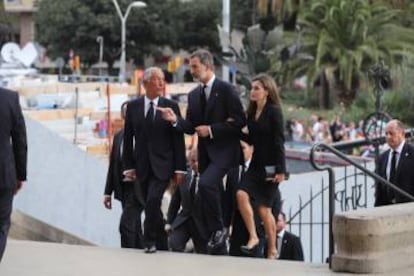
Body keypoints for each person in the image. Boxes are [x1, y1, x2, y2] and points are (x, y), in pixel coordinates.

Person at [157, 49, 246, 253]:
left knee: (206, 183)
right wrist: (175, 120)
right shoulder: (194, 95)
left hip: (225, 151)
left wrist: (212, 130)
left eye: (195, 66)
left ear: (208, 66)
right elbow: (191, 126)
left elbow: (240, 121)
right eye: (191, 66)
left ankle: (219, 229)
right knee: (207, 190)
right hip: (206, 154)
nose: (191, 70)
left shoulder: (226, 89)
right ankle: (215, 232)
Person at [122, 67, 187, 253]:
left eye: (163, 79)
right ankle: (163, 244)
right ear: (145, 83)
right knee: (153, 207)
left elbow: (178, 140)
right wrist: (128, 167)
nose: (161, 82)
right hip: (141, 167)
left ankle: (148, 241)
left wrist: (180, 169)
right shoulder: (133, 107)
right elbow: (128, 139)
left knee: (152, 201)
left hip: (163, 166)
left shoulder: (170, 106)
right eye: (157, 79)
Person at [236, 73, 286, 259]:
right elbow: (251, 139)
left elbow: (279, 141)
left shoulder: (274, 111)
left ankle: (272, 249)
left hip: (272, 167)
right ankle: (254, 236)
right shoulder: (251, 112)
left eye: (257, 88)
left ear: (267, 91)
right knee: (241, 194)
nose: (253, 91)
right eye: (252, 88)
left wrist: (281, 170)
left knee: (264, 209)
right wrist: (236, 131)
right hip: (256, 165)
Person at [103, 101, 144, 249]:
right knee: (135, 226)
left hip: (139, 188)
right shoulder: (119, 136)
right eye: (126, 112)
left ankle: (128, 257)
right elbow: (113, 165)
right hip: (123, 189)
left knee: (126, 225)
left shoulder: (144, 135)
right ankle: (141, 257)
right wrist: (108, 192)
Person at [0, 87, 27, 262]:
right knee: (1, 224)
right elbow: (20, 140)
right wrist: (20, 175)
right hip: (4, 176)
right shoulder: (10, 98)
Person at [165, 149, 209, 253]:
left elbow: (217, 204)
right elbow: (175, 201)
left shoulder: (210, 178)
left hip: (202, 223)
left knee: (204, 252)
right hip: (184, 220)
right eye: (192, 161)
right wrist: (169, 222)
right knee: (174, 244)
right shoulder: (184, 176)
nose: (194, 164)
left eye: (197, 161)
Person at [374, 119, 414, 206]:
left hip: (408, 210)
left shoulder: (412, 153)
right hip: (386, 210)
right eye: (386, 134)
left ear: (402, 134)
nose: (388, 137)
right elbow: (379, 189)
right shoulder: (382, 158)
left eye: (391, 133)